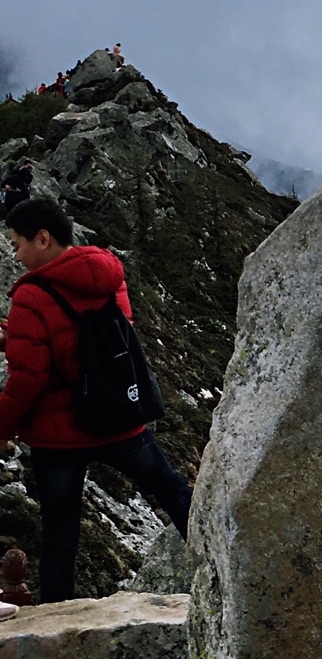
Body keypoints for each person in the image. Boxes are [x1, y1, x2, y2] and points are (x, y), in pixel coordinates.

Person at [0, 197, 191, 602]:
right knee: (173, 490)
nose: (15, 254)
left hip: (59, 437)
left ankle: (57, 620)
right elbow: (101, 336)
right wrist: (15, 335)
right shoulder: (108, 274)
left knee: (59, 537)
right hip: (119, 417)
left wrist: (2, 428)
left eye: (17, 244)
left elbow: (29, 378)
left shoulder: (31, 298)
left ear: (43, 238)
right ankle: (222, 561)